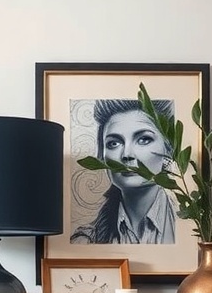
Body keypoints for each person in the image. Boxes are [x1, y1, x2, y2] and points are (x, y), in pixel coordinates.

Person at [71, 98, 176, 245]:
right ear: (102, 157)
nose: (127, 154)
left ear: (169, 151)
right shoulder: (85, 241)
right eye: (114, 143)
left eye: (144, 139)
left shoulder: (189, 229)